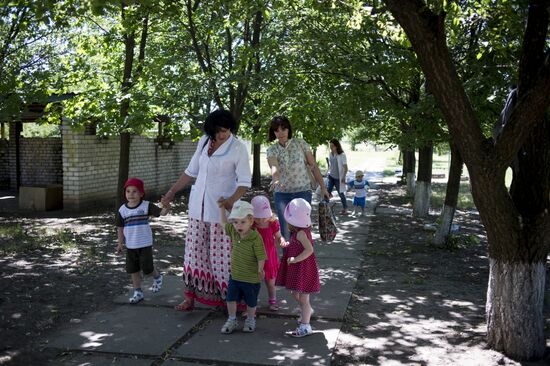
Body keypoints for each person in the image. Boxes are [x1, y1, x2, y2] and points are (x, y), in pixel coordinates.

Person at [161, 109, 252, 311]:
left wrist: (231, 201)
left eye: (227, 130)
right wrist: (172, 192)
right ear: (211, 129)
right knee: (193, 253)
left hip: (220, 213)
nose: (223, 134)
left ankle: (234, 301)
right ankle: (190, 297)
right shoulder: (204, 142)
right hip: (197, 210)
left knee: (222, 258)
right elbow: (190, 171)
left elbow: (244, 182)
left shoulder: (237, 148)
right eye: (219, 130)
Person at [266, 116, 330, 240]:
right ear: (273, 132)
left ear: (288, 129)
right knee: (285, 232)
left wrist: (323, 187)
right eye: (277, 130)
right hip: (282, 194)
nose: (281, 133)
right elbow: (274, 166)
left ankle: (304, 259)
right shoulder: (272, 150)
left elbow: (314, 166)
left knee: (302, 231)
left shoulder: (300, 143)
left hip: (303, 192)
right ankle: (288, 258)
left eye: (283, 129)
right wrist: (276, 179)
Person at [116, 177, 170, 304]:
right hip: (130, 245)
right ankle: (138, 292)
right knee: (133, 269)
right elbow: (120, 227)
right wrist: (120, 243)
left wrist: (166, 206)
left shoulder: (146, 206)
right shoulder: (122, 210)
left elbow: (162, 213)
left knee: (147, 268)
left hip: (144, 243)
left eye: (134, 191)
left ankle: (157, 277)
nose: (131, 194)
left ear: (141, 193)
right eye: (128, 191)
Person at [218, 200, 267, 334]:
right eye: (235, 222)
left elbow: (261, 256)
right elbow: (223, 223)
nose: (238, 225)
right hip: (235, 276)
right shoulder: (234, 232)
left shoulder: (255, 238)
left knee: (251, 302)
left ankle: (251, 319)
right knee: (230, 299)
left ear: (251, 221)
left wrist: (260, 269)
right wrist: (222, 208)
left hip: (251, 278)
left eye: (243, 222)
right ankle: (232, 319)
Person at [275, 198, 320, 338]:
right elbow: (298, 246)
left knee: (304, 299)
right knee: (295, 293)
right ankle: (307, 311)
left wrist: (295, 259)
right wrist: (288, 245)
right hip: (298, 269)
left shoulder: (301, 233)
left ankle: (305, 326)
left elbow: (309, 250)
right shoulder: (298, 233)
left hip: (304, 269)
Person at [251, 195, 288, 311]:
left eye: (263, 217)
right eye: (257, 218)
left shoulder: (273, 223)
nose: (261, 220)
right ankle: (251, 304)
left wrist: (282, 241)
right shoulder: (251, 225)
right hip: (254, 258)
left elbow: (278, 236)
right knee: (253, 282)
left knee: (271, 282)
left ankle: (272, 300)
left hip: (269, 257)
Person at [326, 139, 349, 215]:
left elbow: (346, 168)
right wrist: (327, 172)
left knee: (341, 194)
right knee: (327, 192)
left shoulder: (342, 155)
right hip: (331, 176)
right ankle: (325, 209)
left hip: (338, 178)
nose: (331, 147)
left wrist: (343, 177)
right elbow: (331, 165)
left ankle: (345, 209)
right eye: (330, 146)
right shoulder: (330, 154)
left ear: (336, 146)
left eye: (332, 146)